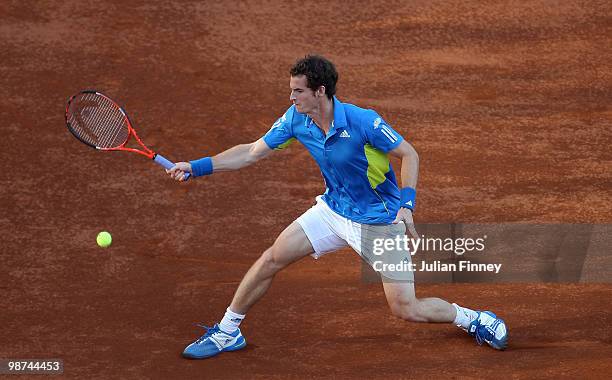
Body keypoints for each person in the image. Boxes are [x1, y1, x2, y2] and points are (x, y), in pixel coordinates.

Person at [167, 55, 508, 359]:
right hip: (332, 211)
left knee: (407, 308)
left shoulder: (363, 122)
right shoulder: (295, 119)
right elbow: (252, 151)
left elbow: (409, 154)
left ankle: (473, 319)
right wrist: (196, 167)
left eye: (298, 91)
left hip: (379, 222)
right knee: (272, 258)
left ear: (320, 91)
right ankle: (228, 331)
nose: (291, 97)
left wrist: (407, 205)